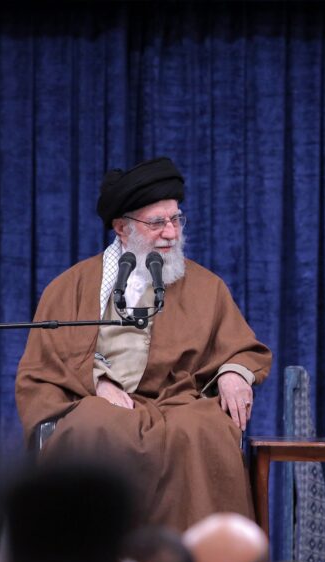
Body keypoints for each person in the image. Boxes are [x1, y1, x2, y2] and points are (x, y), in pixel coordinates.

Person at [15, 157, 273, 530]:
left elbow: (240, 347)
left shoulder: (207, 286)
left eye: (176, 220)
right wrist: (98, 381)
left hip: (177, 400)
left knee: (205, 430)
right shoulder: (71, 286)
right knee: (93, 428)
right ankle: (95, 559)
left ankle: (204, 559)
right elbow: (46, 361)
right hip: (96, 399)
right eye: (157, 223)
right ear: (122, 228)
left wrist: (235, 373)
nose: (171, 233)